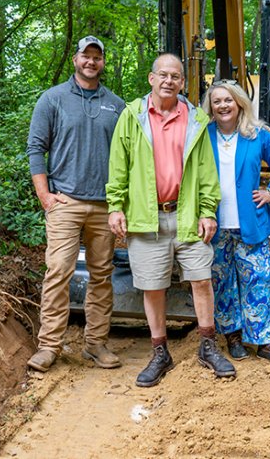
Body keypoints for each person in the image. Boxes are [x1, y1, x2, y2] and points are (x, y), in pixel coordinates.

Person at [106, 53, 237, 387]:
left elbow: (207, 170)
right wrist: (115, 206)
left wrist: (208, 210)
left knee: (201, 279)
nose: (169, 81)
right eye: (163, 75)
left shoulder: (196, 118)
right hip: (146, 216)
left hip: (188, 213)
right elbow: (118, 166)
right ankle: (160, 352)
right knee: (153, 286)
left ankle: (208, 346)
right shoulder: (131, 116)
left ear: (183, 82)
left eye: (175, 76)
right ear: (151, 78)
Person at [26, 35, 126, 373]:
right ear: (75, 59)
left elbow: (127, 157)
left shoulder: (117, 105)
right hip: (64, 203)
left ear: (102, 62)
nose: (91, 62)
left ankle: (95, 344)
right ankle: (49, 345)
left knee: (102, 276)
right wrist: (44, 196)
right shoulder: (52, 99)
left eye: (97, 57)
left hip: (104, 207)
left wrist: (120, 205)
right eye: (86, 56)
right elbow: (35, 148)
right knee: (58, 272)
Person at [201, 81, 270, 366]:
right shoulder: (203, 136)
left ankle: (266, 342)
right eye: (217, 101)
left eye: (228, 100)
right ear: (211, 107)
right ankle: (233, 338)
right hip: (215, 225)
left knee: (259, 280)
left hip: (251, 223)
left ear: (239, 102)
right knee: (222, 283)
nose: (223, 106)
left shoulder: (257, 136)